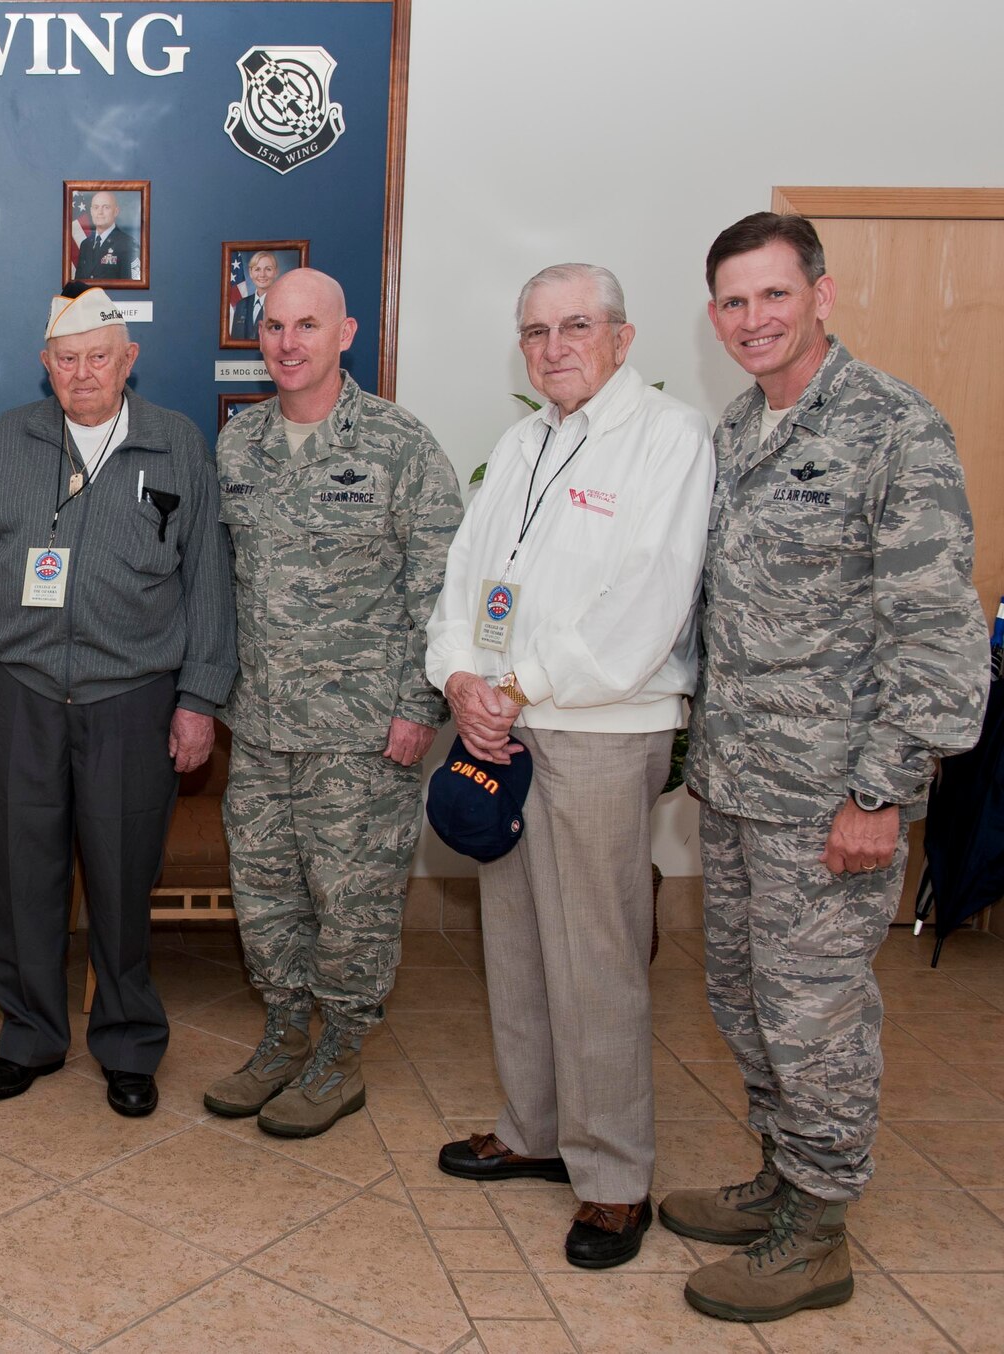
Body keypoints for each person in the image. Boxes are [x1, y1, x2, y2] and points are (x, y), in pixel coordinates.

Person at [673, 213, 986, 1322]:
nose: (750, 319)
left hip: (829, 795)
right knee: (742, 995)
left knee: (814, 1011)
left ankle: (816, 1227)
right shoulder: (731, 430)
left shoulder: (893, 426)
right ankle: (779, 1173)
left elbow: (936, 630)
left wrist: (878, 790)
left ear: (820, 294)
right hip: (738, 779)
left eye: (770, 295)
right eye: (730, 302)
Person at [424, 264, 715, 1270]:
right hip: (499, 727)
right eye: (535, 330)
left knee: (592, 956)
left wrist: (519, 686)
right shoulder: (520, 444)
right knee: (512, 940)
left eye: (575, 326)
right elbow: (465, 576)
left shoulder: (666, 442)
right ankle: (534, 1129)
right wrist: (459, 677)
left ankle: (611, 1178)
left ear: (623, 338)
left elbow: (648, 600)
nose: (553, 347)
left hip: (595, 727)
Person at [0, 285, 236, 1117]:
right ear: (46, 365)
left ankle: (128, 1042)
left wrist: (198, 700)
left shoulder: (176, 444)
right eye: (66, 359)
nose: (83, 373)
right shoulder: (8, 443)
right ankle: (31, 1035)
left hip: (132, 698)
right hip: (22, 692)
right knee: (24, 876)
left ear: (128, 360)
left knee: (119, 881)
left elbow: (208, 583)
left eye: (98, 356)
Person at [207, 268, 462, 1138]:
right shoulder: (237, 446)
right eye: (273, 326)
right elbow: (219, 586)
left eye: (306, 326)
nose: (287, 343)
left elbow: (438, 589)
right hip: (264, 727)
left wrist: (418, 707)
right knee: (267, 894)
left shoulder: (399, 445)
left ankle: (342, 1052)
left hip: (362, 731)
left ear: (345, 334)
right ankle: (284, 1035)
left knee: (353, 905)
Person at [73, 192, 140, 283]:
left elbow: (132, 286)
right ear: (91, 211)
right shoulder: (85, 244)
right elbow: (78, 284)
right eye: (96, 207)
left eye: (106, 207)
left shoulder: (127, 244)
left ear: (116, 211)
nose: (100, 212)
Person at [228, 251, 280, 340]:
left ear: (276, 272)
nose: (262, 275)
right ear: (251, 273)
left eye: (268, 269)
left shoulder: (282, 304)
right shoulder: (241, 304)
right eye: (257, 269)